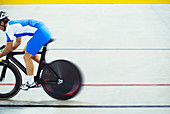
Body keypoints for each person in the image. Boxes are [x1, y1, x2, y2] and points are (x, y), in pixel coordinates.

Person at [0, 11, 51, 90]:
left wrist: (2, 53)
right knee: (26, 50)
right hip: (43, 31)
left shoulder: (9, 29)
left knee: (27, 57)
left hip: (40, 33)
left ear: (2, 22)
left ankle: (31, 82)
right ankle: (46, 67)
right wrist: (8, 50)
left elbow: (8, 48)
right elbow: (17, 43)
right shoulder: (13, 25)